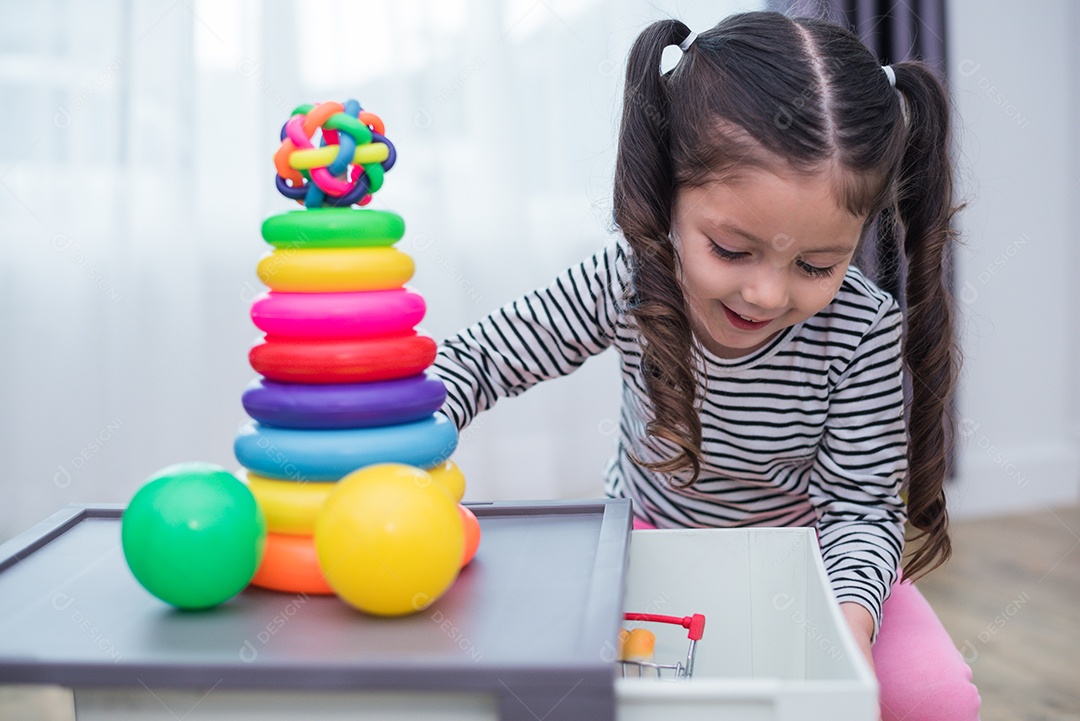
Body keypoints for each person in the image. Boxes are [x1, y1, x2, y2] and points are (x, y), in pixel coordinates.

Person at [431, 11, 980, 721]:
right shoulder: (630, 277)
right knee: (594, 695)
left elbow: (859, 506)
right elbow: (479, 359)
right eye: (730, 249)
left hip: (810, 559)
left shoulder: (862, 327)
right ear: (668, 196)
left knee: (933, 696)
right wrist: (404, 438)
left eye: (816, 264)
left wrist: (846, 624)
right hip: (650, 543)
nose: (767, 292)